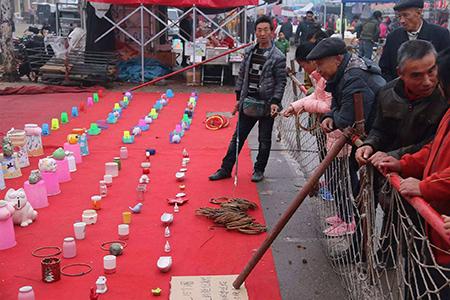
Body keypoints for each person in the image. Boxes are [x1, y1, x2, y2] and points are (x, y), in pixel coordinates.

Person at [378, 47, 450, 299]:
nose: (430, 82)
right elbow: (433, 149)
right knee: (416, 278)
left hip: (443, 232)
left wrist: (424, 187)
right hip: (431, 225)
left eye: (434, 74)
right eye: (418, 75)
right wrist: (403, 163)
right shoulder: (387, 93)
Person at [307, 37, 386, 234]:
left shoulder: (355, 76)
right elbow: (336, 102)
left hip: (378, 139)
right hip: (365, 137)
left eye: (320, 64)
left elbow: (346, 116)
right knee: (348, 180)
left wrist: (333, 118)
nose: (317, 71)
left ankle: (358, 233)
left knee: (369, 194)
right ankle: (353, 226)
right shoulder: (342, 73)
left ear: (338, 59)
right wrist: (330, 115)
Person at [283, 43, 353, 236]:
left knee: (341, 180)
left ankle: (349, 220)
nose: (306, 69)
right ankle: (342, 215)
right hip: (331, 137)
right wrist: (296, 106)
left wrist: (305, 106)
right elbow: (317, 97)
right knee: (333, 177)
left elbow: (327, 105)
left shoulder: (335, 77)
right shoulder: (322, 77)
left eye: (312, 63)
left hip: (340, 139)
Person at [209, 16, 287, 182]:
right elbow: (242, 76)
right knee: (237, 137)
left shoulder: (278, 56)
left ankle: (259, 169)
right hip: (248, 102)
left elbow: (281, 82)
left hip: (267, 105)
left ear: (272, 32)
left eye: (266, 30)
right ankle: (225, 168)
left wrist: (275, 101)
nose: (262, 33)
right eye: (259, 30)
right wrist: (239, 98)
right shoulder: (249, 52)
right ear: (255, 32)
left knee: (264, 140)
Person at [379, 0, 450, 81]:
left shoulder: (440, 34)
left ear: (419, 13)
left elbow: (446, 67)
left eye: (406, 15)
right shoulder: (393, 37)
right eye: (399, 17)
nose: (402, 21)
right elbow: (384, 69)